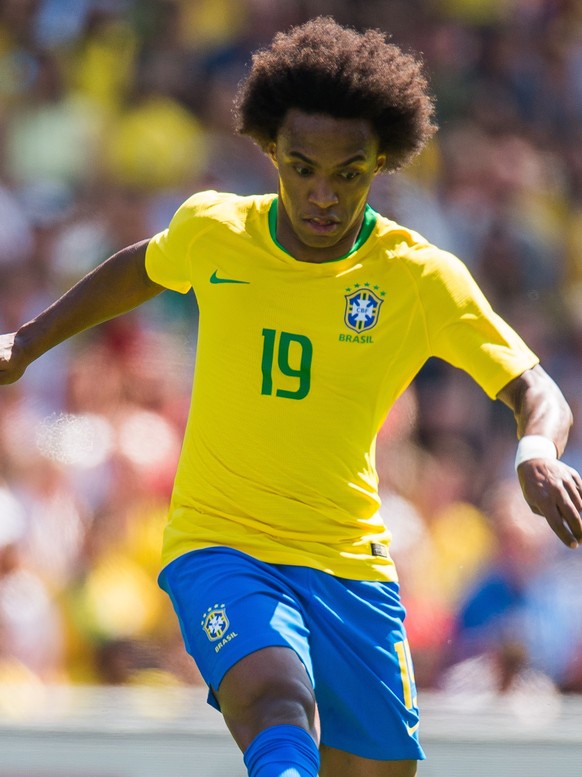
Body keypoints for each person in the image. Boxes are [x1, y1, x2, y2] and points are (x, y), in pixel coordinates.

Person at [1, 16, 581, 777]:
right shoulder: (215, 229)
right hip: (221, 545)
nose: (322, 195)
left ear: (383, 163)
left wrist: (535, 449)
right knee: (280, 705)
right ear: (271, 149)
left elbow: (535, 388)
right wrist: (27, 341)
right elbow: (142, 267)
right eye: (302, 166)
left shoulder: (418, 276)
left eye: (350, 173)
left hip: (349, 564)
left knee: (368, 768)